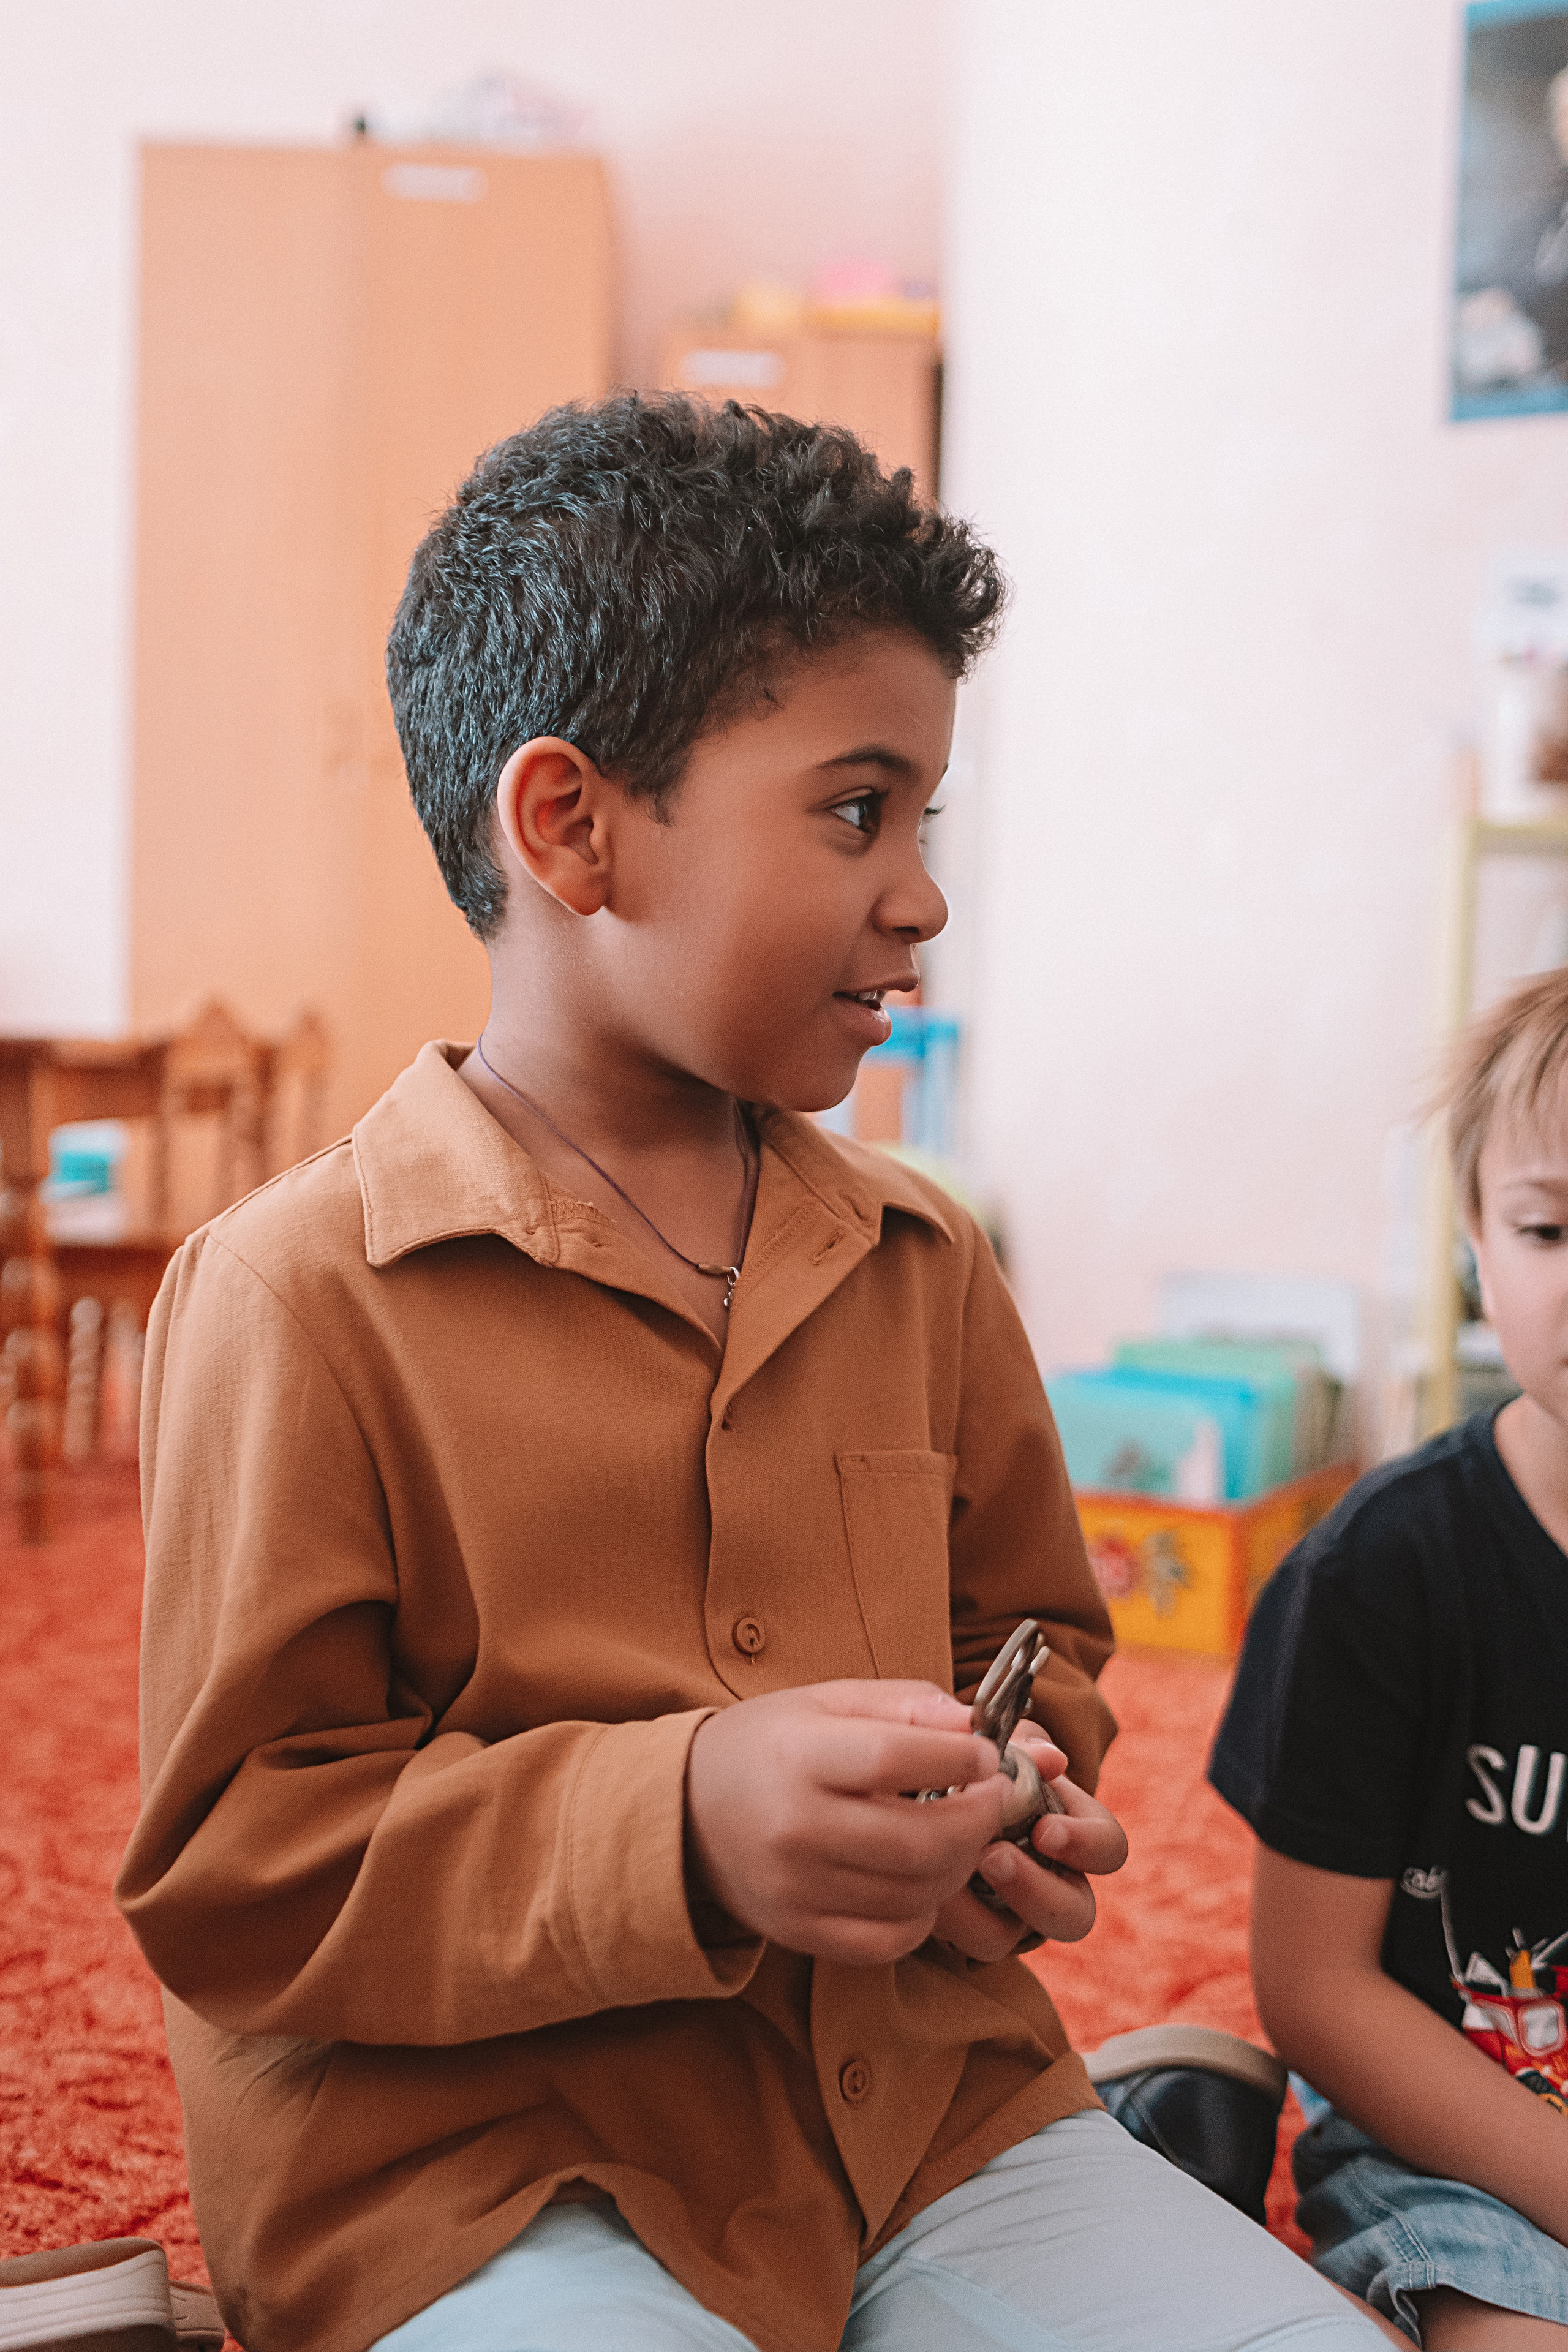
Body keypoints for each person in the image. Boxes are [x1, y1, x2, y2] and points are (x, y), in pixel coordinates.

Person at [116, 394, 1387, 2352]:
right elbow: (239, 1872)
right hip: (486, 2169)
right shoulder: (296, 1295)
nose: (924, 894)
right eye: (855, 809)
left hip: (925, 2119)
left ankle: (1135, 2121)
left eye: (925, 818)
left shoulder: (922, 1256)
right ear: (573, 829)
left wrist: (1014, 1793)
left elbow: (1034, 1637)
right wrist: (687, 1818)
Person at [1211, 964, 1568, 2349]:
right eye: (1548, 1227)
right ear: (1476, 1246)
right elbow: (1313, 1984)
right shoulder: (1381, 1573)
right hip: (1462, 2142)